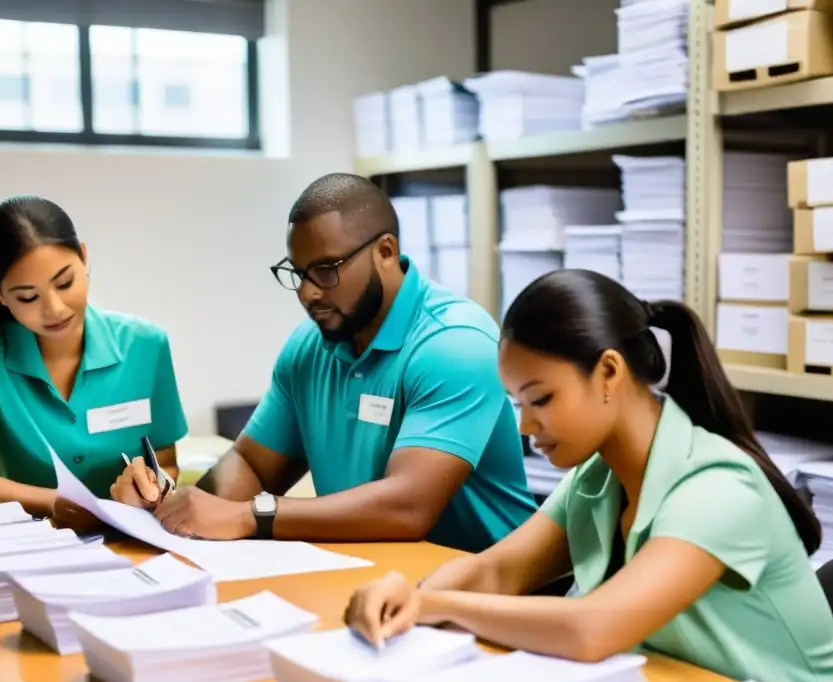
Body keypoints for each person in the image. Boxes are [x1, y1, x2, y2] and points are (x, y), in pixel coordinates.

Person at [342, 269, 833, 682]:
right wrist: (411, 597)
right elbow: (498, 570)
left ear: (608, 372)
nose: (523, 425)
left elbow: (594, 629)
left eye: (540, 399)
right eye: (517, 401)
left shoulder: (716, 486)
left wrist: (440, 608)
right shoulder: (598, 477)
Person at [112, 173, 536, 552]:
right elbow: (254, 464)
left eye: (326, 270)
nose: (309, 293)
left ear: (386, 251)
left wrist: (250, 515)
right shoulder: (308, 347)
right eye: (298, 273)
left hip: (484, 586)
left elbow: (408, 507)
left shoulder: (454, 343)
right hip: (372, 572)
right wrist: (169, 505)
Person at [0, 195, 188, 529]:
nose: (55, 309)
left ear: (84, 258)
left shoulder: (147, 346)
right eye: (28, 297)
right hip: (24, 544)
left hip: (133, 539)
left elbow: (166, 465)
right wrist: (57, 504)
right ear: (0, 295)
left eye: (65, 283)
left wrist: (152, 489)